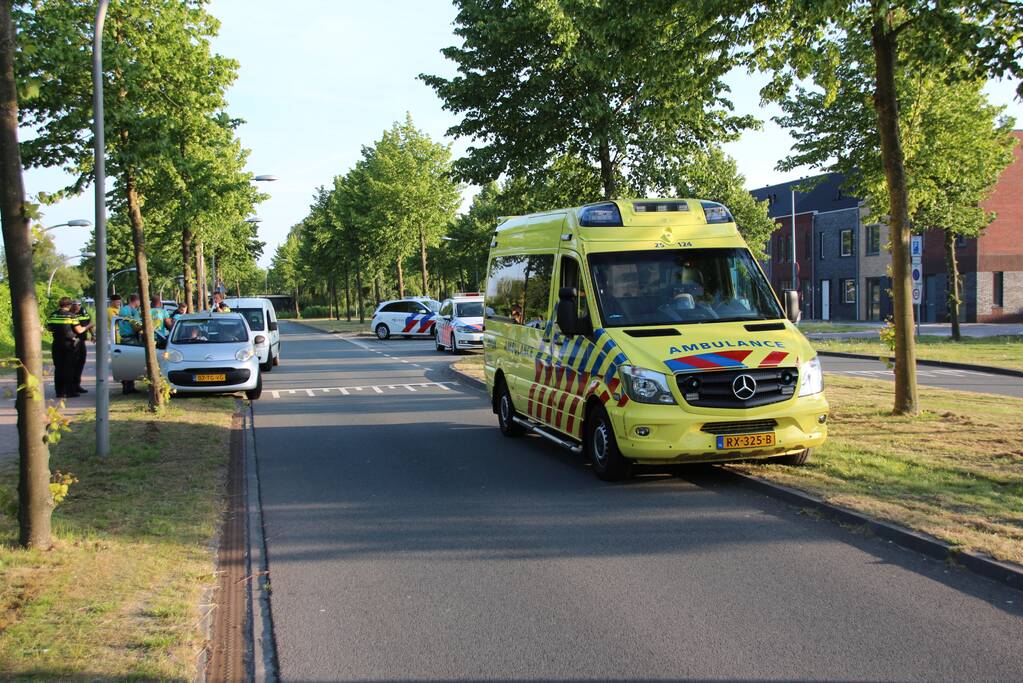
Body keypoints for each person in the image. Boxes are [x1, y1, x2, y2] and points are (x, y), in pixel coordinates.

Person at [47, 297, 92, 399]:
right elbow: (79, 330)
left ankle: (59, 392)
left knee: (58, 367)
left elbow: (49, 328)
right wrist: (88, 326)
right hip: (69, 345)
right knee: (70, 367)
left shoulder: (53, 315)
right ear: (69, 305)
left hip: (57, 344)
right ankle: (70, 391)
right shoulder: (71, 316)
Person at [118, 294, 143, 394]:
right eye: (139, 301)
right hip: (131, 339)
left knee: (126, 363)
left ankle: (127, 386)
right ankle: (129, 387)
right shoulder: (133, 311)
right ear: (136, 301)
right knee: (133, 362)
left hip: (123, 338)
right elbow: (135, 326)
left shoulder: (123, 309)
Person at [69, 300, 90, 394]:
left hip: (81, 341)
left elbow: (88, 323)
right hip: (72, 342)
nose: (77, 307)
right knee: (73, 364)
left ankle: (77, 385)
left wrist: (93, 334)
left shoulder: (83, 312)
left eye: (78, 305)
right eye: (75, 306)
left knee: (81, 362)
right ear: (71, 306)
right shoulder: (69, 314)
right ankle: (71, 386)